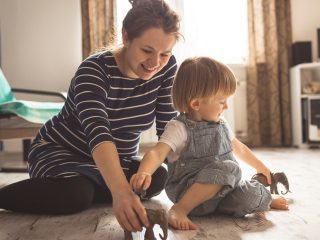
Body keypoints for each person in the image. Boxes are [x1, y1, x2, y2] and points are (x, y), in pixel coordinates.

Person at [0, 0, 180, 233]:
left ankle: (97, 185)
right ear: (126, 38)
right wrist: (121, 192)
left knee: (156, 177)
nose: (155, 63)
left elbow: (168, 130)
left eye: (165, 53)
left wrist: (195, 173)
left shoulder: (167, 69)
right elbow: (98, 133)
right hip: (61, 152)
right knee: (76, 194)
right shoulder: (93, 70)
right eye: (147, 51)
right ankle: (92, 188)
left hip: (115, 162)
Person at [130, 56, 289, 230]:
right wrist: (144, 171)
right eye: (222, 102)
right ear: (196, 103)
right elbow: (157, 152)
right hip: (188, 195)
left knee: (251, 194)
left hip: (223, 195)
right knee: (229, 167)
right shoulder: (179, 128)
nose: (226, 107)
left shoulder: (221, 124)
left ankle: (265, 198)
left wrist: (261, 167)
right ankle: (179, 210)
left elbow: (240, 149)